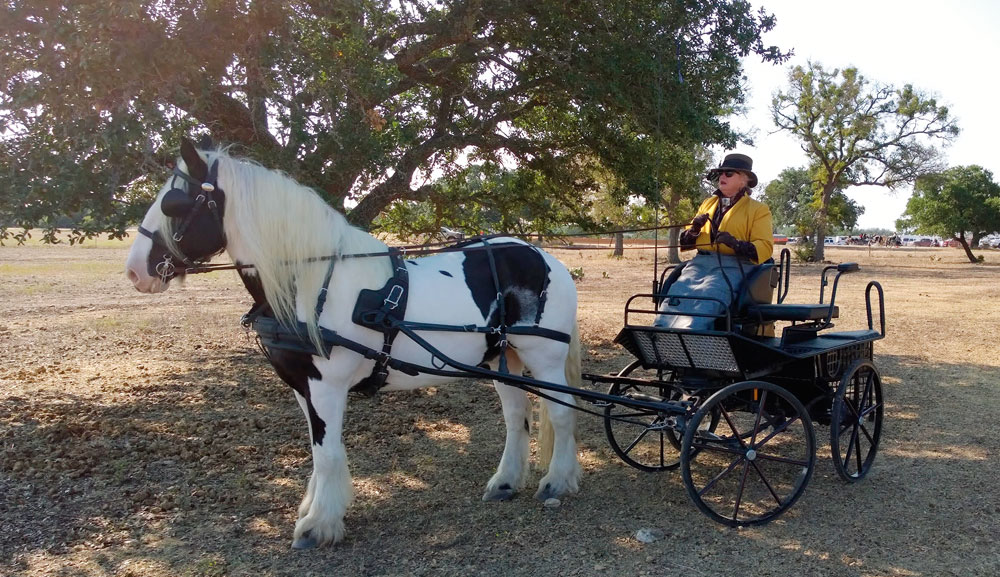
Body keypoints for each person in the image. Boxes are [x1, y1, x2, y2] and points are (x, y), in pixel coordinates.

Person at [655, 153, 774, 330]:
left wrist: (735, 244)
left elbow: (765, 247)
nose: (722, 177)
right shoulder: (708, 203)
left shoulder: (759, 210)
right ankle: (660, 331)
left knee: (709, 293)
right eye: (721, 173)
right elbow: (686, 242)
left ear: (744, 179)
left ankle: (691, 336)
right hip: (700, 263)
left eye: (728, 173)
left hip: (735, 266)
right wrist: (695, 229)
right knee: (678, 292)